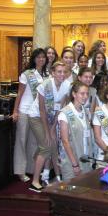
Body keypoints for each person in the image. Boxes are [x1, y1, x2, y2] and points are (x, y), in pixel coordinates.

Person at [28, 61, 71, 192]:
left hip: (52, 118)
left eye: (64, 72)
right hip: (36, 116)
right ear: (53, 73)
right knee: (46, 145)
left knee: (47, 144)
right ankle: (34, 182)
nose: (62, 74)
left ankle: (38, 164)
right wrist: (47, 132)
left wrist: (52, 128)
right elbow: (42, 110)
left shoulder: (67, 85)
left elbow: (61, 107)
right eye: (59, 71)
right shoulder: (44, 86)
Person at [12, 48, 48, 183]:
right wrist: (15, 111)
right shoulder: (27, 74)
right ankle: (20, 171)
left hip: (37, 113)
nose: (41, 59)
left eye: (43, 57)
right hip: (24, 110)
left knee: (34, 142)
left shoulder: (46, 75)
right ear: (34, 59)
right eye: (38, 57)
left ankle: (31, 169)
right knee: (22, 140)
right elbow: (20, 93)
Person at [58, 81, 93, 181]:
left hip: (85, 159)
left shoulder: (86, 111)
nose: (85, 96)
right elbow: (65, 141)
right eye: (82, 93)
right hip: (72, 162)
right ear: (74, 94)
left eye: (87, 94)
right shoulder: (65, 113)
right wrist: (74, 164)